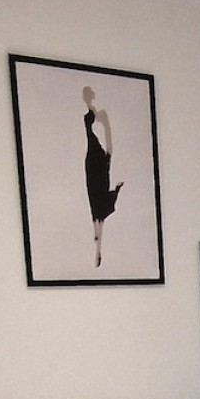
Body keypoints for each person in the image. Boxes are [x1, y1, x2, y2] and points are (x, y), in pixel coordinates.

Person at [82, 86, 124, 267]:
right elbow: (107, 139)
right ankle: (97, 246)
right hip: (96, 161)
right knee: (97, 204)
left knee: (96, 204)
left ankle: (98, 246)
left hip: (96, 162)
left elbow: (107, 138)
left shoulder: (96, 116)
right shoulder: (96, 117)